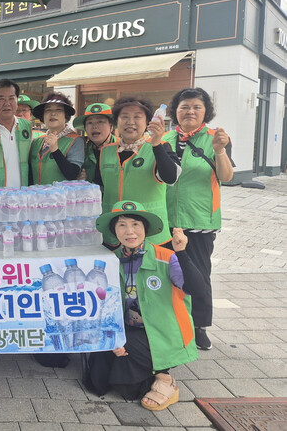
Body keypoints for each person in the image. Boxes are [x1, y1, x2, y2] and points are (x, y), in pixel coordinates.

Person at [86, 201, 202, 410]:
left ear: (145, 228)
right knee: (96, 382)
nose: (129, 231)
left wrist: (182, 252)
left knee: (127, 390)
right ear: (114, 230)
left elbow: (197, 288)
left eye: (135, 224)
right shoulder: (111, 261)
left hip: (163, 332)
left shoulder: (166, 257)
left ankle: (165, 379)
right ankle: (147, 371)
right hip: (128, 328)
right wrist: (112, 338)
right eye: (122, 225)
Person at [163, 87, 234, 351]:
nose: (190, 112)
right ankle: (172, 322)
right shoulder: (165, 138)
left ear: (206, 111)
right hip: (165, 218)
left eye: (196, 107)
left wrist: (220, 151)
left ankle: (199, 326)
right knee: (166, 272)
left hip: (199, 219)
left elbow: (226, 177)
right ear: (176, 111)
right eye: (184, 107)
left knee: (199, 275)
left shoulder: (217, 138)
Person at [96, 96, 181, 247]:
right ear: (116, 122)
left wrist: (156, 144)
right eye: (124, 117)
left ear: (148, 122)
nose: (130, 122)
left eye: (137, 117)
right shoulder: (105, 151)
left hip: (150, 235)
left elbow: (171, 177)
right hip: (114, 234)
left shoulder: (161, 146)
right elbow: (100, 188)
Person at [29, 92, 84, 183]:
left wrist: (55, 150)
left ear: (66, 116)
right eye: (48, 110)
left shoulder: (75, 140)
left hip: (62, 192)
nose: (53, 114)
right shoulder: (37, 141)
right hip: (36, 192)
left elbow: (72, 174)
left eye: (59, 110)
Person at [73, 103, 117, 183]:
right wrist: (79, 179)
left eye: (100, 122)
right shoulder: (81, 150)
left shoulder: (123, 148)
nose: (94, 126)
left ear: (111, 127)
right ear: (85, 128)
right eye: (90, 123)